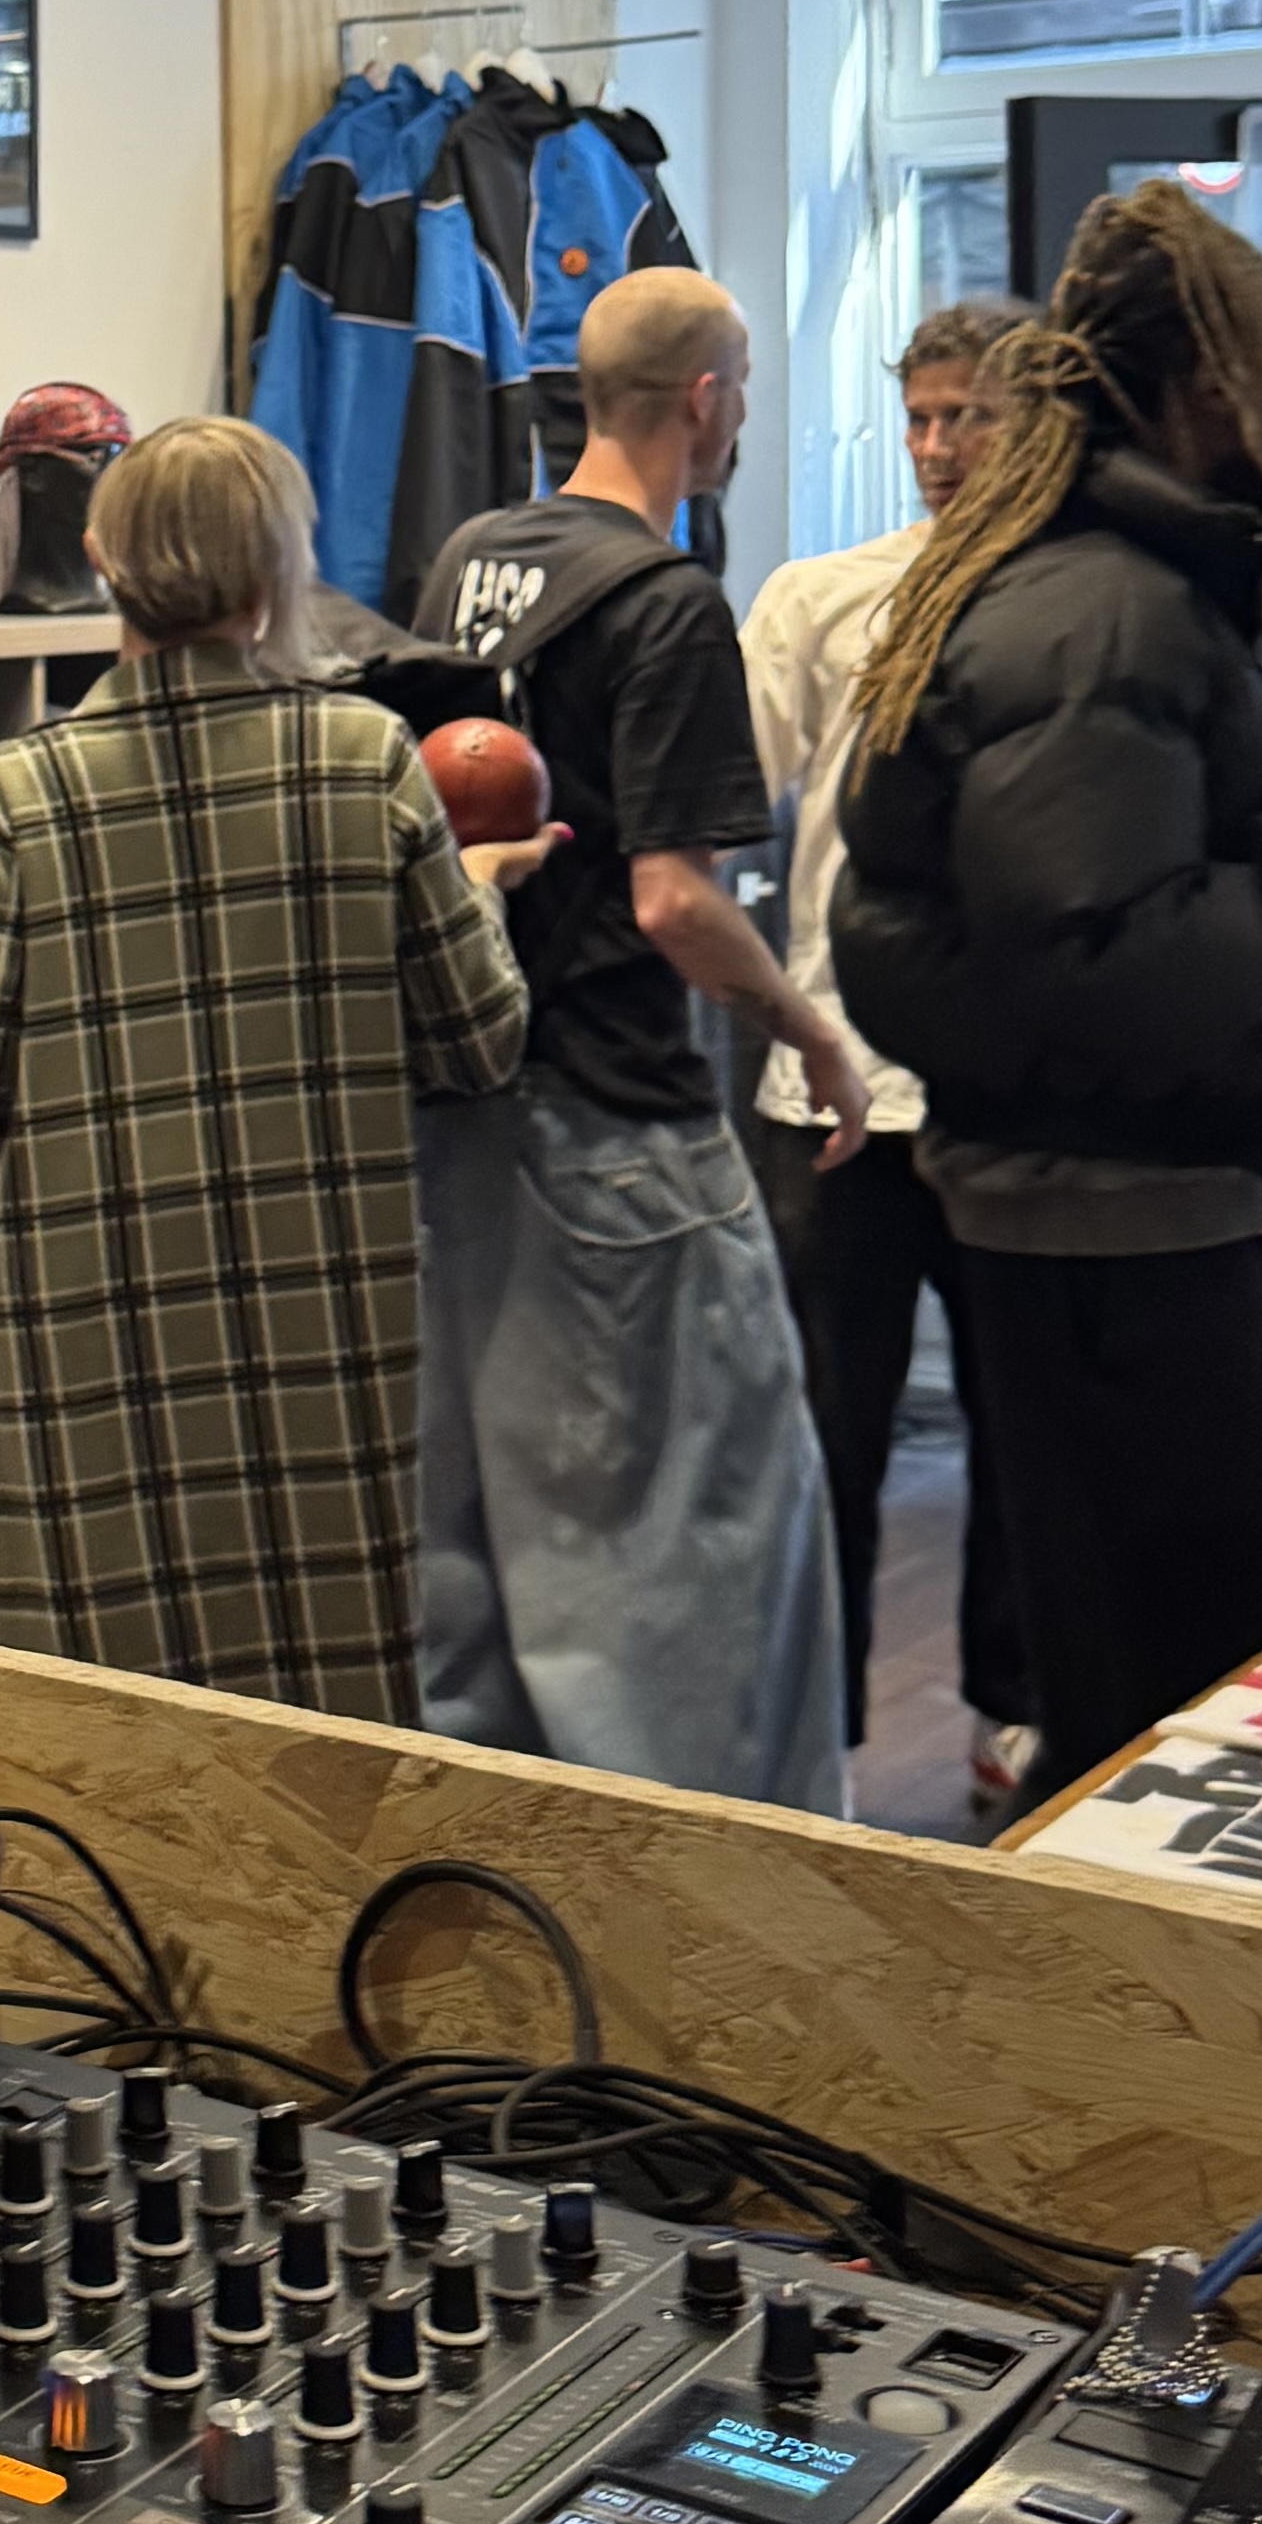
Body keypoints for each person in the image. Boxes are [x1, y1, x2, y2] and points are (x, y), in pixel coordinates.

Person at [835, 180, 1262, 1808]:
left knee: (1185, 1703)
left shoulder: (1128, 585)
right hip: (1122, 1243)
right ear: (1204, 383)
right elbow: (1105, 957)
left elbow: (1188, 830)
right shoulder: (1101, 606)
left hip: (1138, 1218)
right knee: (1170, 1728)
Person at [0, 415, 547, 1724]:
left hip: (71, 1337)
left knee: (91, 1725)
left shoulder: (19, 793)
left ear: (101, 558)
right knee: (321, 1715)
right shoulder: (365, 762)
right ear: (275, 574)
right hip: (313, 1325)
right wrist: (480, 888)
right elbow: (479, 1042)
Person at [403, 268, 856, 1818]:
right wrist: (807, 1026)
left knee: (481, 1537)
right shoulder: (667, 604)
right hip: (617, 1126)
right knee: (696, 1540)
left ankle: (498, 1878)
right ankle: (712, 1896)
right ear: (708, 402)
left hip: (466, 1103)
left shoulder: (471, 563)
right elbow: (675, 901)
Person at [739, 297, 1041, 1813]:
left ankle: (1015, 1711)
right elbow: (721, 790)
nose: (936, 445)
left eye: (966, 415)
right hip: (835, 1083)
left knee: (1025, 1423)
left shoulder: (1068, 604)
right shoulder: (823, 597)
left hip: (1012, 1086)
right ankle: (818, 1740)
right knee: (826, 1434)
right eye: (919, 416)